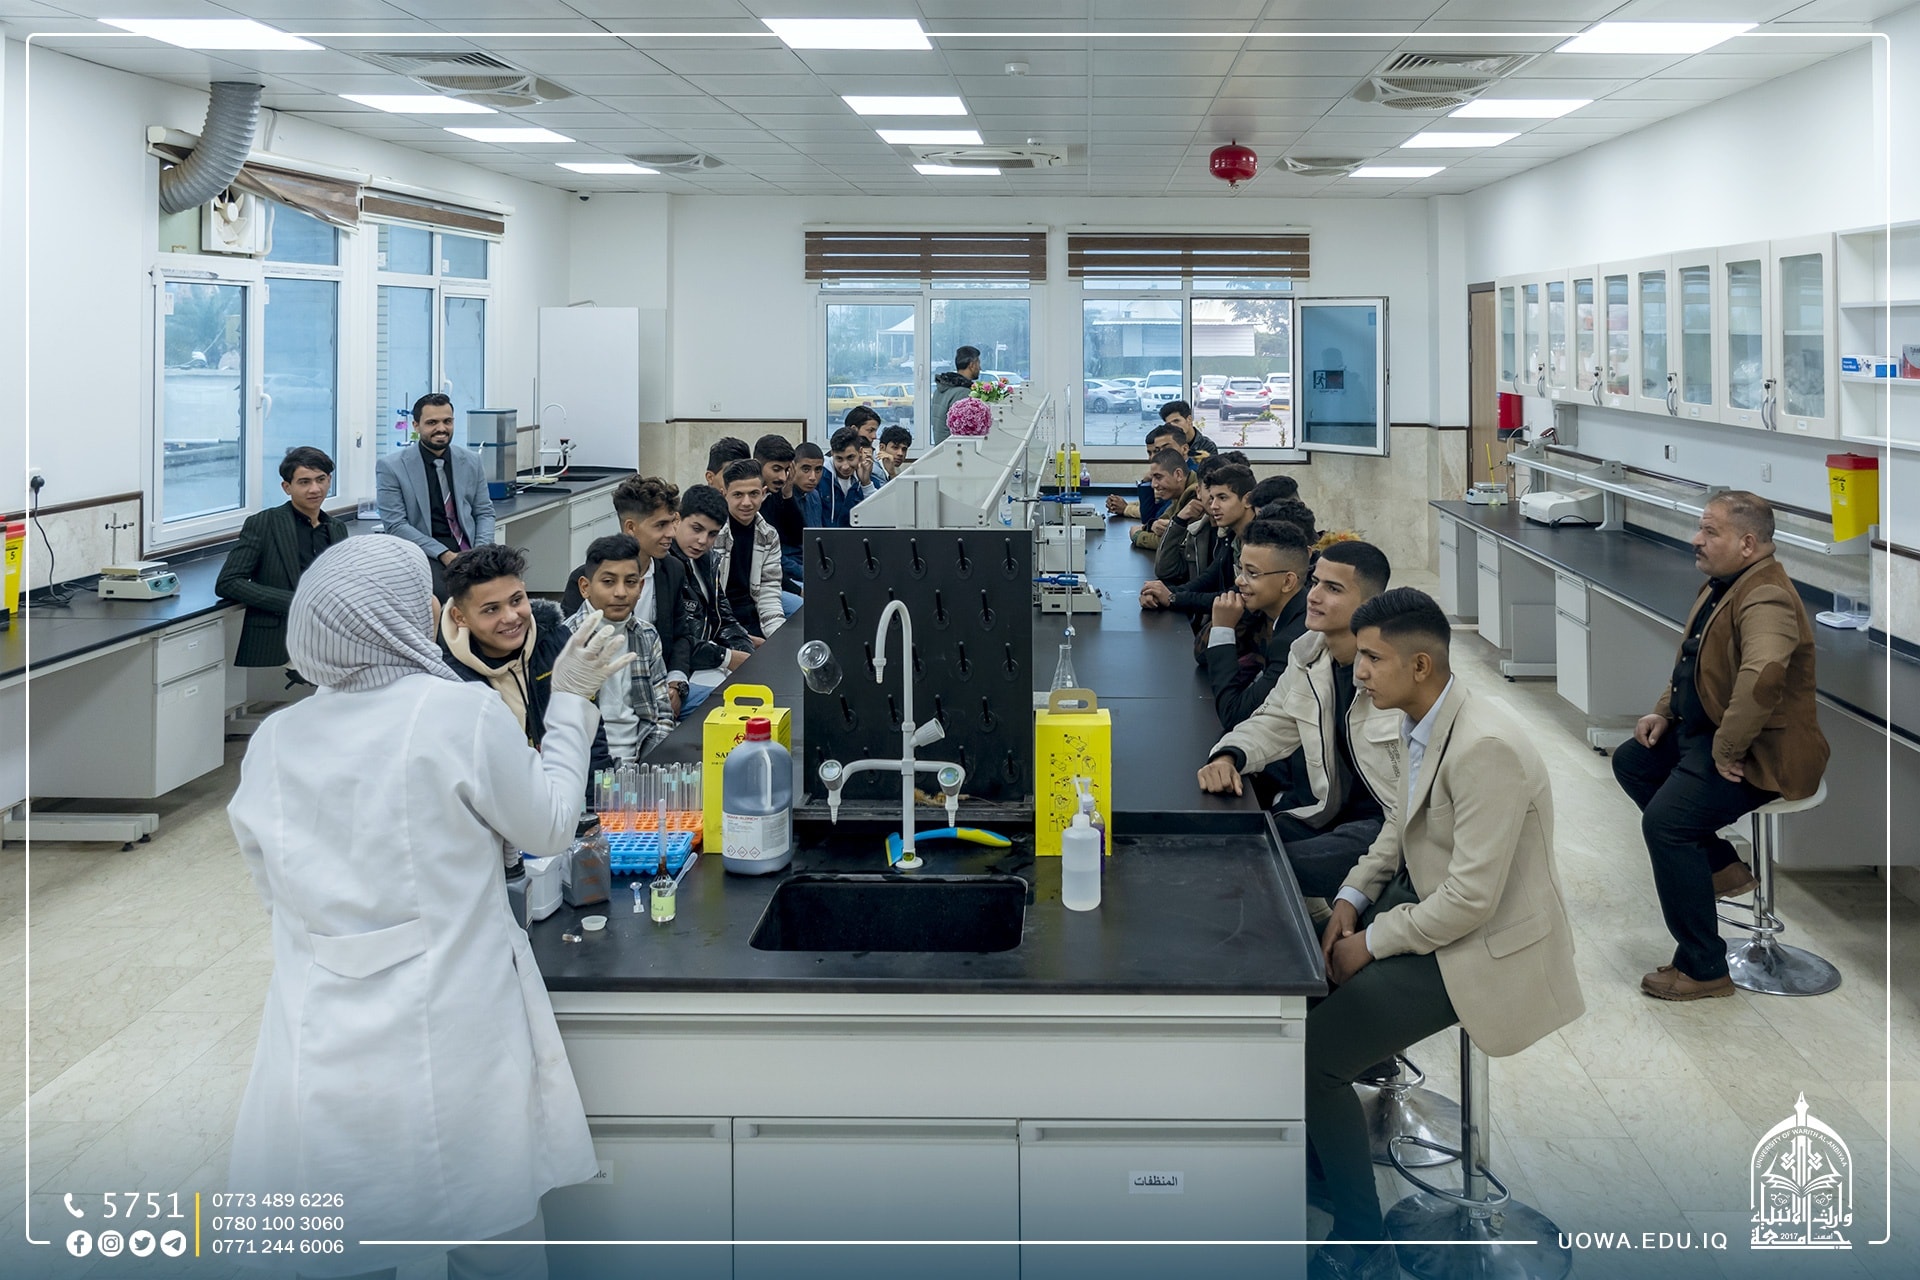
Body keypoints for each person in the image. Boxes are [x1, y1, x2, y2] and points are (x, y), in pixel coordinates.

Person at [226, 535, 633, 1280]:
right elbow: (547, 827)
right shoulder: (456, 713)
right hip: (452, 1022)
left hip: (322, 1033)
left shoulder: (276, 739)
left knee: (350, 1237)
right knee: (490, 1233)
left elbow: (270, 887)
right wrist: (572, 702)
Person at [1303, 588, 1584, 1278]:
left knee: (1313, 1059)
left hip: (1476, 946)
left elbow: (1470, 901)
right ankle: (1329, 1162)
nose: (1359, 673)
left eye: (1372, 659)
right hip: (1423, 909)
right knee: (1300, 969)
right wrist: (1350, 901)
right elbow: (1398, 829)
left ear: (1420, 665)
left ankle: (1361, 1240)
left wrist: (1370, 942)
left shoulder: (1486, 747)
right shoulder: (1422, 719)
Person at [1610, 491, 1829, 1000]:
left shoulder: (1766, 595)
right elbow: (1693, 659)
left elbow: (1762, 678)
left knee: (1667, 825)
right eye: (1700, 528)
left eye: (1710, 531)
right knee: (1633, 762)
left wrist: (1728, 749)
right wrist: (1664, 712)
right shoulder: (1725, 584)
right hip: (1709, 731)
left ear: (1748, 543)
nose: (1696, 539)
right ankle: (1720, 865)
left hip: (1761, 753)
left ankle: (1704, 967)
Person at [1199, 541, 1397, 900]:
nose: (1314, 596)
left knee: (1255, 869)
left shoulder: (1394, 673)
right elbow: (1273, 719)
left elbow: (1412, 811)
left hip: (1382, 828)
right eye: (1316, 582)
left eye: (1333, 589)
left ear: (1370, 604)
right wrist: (1228, 755)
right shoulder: (1308, 653)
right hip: (1324, 813)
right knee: (1225, 846)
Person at [438, 544, 613, 784]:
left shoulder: (556, 641)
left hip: (573, 792)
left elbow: (590, 736)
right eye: (491, 609)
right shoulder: (448, 680)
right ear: (460, 617)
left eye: (516, 600)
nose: (511, 617)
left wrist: (598, 800)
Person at [217, 445, 349, 682]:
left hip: (331, 637)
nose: (315, 489)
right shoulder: (264, 523)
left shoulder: (337, 528)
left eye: (321, 479)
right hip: (281, 638)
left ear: (329, 480)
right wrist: (296, 602)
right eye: (304, 482)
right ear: (287, 487)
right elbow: (228, 582)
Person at [566, 534, 673, 764]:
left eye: (631, 582)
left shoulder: (647, 635)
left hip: (641, 761)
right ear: (585, 587)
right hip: (585, 765)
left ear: (641, 587)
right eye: (608, 582)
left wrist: (646, 767)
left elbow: (662, 715)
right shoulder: (564, 640)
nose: (621, 592)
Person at [376, 393, 496, 598]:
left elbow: (484, 512)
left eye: (447, 421)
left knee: (502, 590)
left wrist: (480, 552)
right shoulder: (392, 467)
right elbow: (395, 525)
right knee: (454, 596)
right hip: (426, 552)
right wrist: (444, 554)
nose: (441, 428)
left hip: (470, 548)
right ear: (416, 425)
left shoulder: (471, 461)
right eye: (432, 422)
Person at [1202, 518, 1315, 730]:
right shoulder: (1274, 611)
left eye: (1252, 573)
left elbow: (1234, 714)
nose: (1239, 581)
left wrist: (1223, 629)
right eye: (1240, 569)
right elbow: (1201, 657)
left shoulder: (1293, 642)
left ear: (1288, 582)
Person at [1139, 463, 1258, 630]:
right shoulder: (1232, 536)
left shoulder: (1261, 542)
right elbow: (1207, 579)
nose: (1214, 505)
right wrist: (1160, 593)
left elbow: (1235, 596)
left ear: (1248, 500)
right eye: (1213, 497)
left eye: (1222, 498)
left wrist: (1172, 598)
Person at [671, 484, 754, 717]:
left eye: (712, 534)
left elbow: (724, 618)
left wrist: (746, 656)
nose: (702, 541)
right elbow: (679, 640)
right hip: (684, 670)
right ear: (677, 520)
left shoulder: (707, 560)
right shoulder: (668, 567)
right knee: (736, 705)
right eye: (696, 529)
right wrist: (728, 658)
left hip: (708, 660)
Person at [713, 456, 794, 641]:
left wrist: (777, 638)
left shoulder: (769, 535)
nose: (747, 502)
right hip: (720, 622)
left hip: (753, 617)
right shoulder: (713, 533)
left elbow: (769, 592)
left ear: (763, 493)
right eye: (738, 495)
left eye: (754, 494)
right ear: (724, 494)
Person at [1108, 447, 1194, 553]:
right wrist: (1151, 526)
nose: (1153, 485)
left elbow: (1175, 542)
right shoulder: (1179, 492)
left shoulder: (1194, 493)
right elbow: (1161, 522)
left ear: (1178, 475)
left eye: (1158, 477)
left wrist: (1138, 536)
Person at [772, 441, 825, 589]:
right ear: (792, 468)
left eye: (818, 470)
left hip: (814, 569)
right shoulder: (779, 498)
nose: (813, 477)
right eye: (806, 469)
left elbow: (816, 540)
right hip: (788, 574)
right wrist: (807, 572)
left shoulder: (815, 496)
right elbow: (777, 556)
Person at [813, 426, 877, 527]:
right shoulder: (819, 478)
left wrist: (866, 484)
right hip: (824, 536)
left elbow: (877, 518)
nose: (845, 466)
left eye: (850, 457)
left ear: (860, 452)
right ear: (832, 454)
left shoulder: (870, 479)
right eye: (839, 459)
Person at [929, 345, 982, 444]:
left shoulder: (941, 388)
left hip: (942, 447)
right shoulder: (963, 393)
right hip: (955, 448)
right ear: (972, 365)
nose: (980, 368)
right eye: (978, 363)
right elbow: (965, 431)